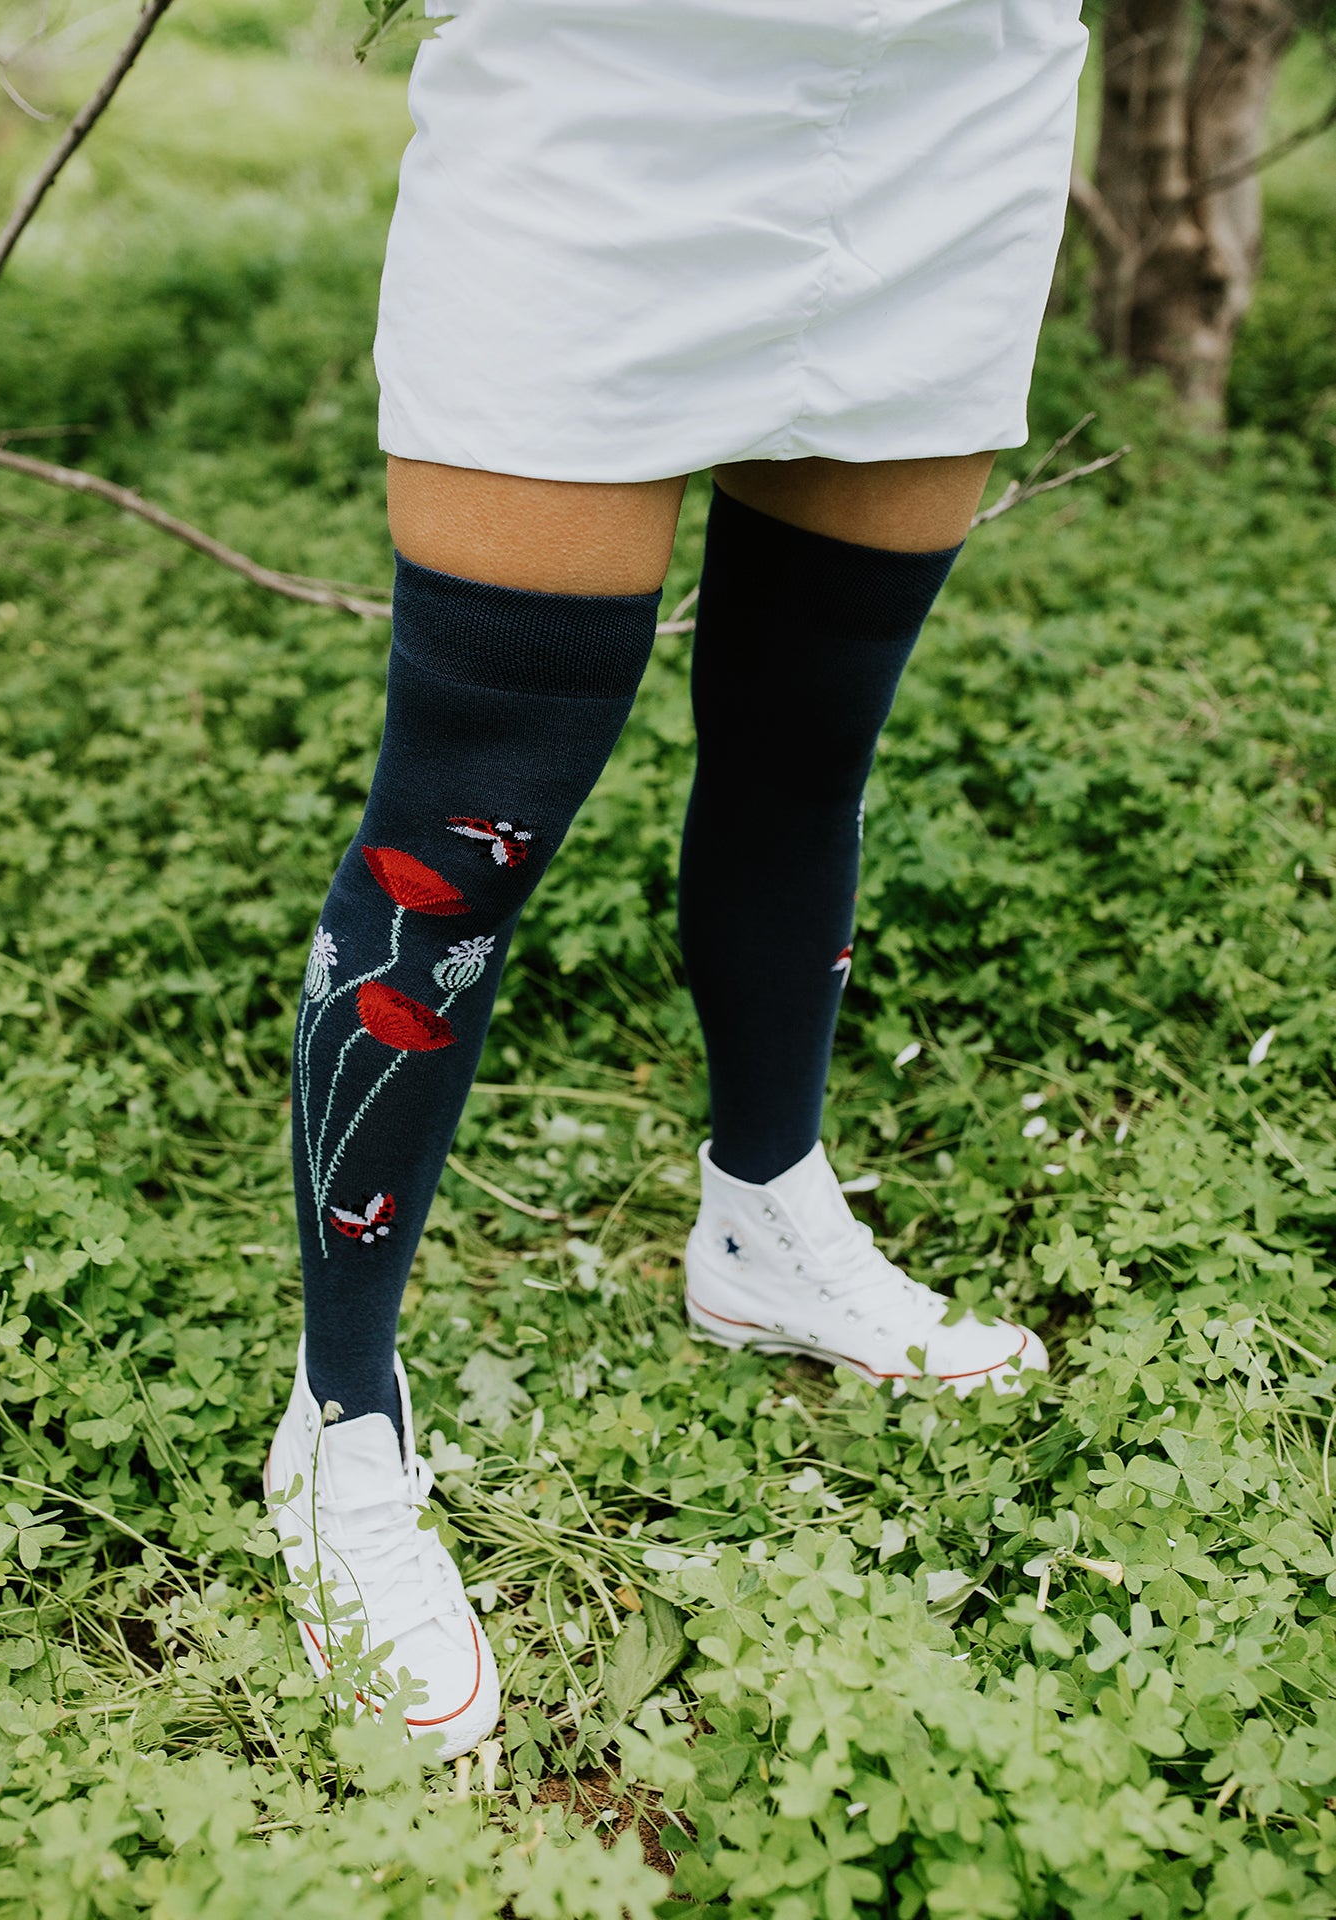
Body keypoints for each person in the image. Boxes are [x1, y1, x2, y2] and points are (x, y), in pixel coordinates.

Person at [264, 0, 1088, 1760]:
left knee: (810, 757)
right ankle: (339, 1419)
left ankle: (765, 1219)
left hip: (952, 99)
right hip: (607, 103)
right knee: (462, 836)